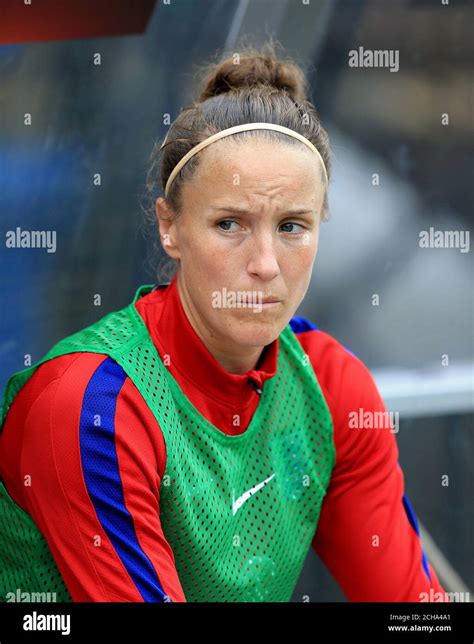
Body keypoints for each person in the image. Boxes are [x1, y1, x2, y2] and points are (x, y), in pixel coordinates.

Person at [0, 43, 447, 603]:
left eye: (292, 226)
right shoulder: (93, 403)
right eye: (230, 223)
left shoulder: (332, 386)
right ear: (170, 227)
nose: (264, 264)